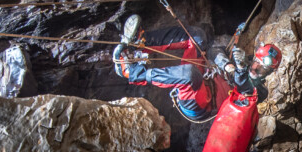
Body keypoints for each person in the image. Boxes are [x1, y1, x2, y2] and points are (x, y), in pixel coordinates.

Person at [112, 14, 281, 119]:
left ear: (270, 72)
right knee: (198, 36)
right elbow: (215, 51)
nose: (257, 67)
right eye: (257, 61)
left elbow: (244, 87)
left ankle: (132, 73)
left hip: (203, 104)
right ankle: (140, 42)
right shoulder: (242, 61)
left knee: (190, 74)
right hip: (203, 80)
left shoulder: (260, 91)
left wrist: (240, 69)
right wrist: (228, 64)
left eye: (263, 68)